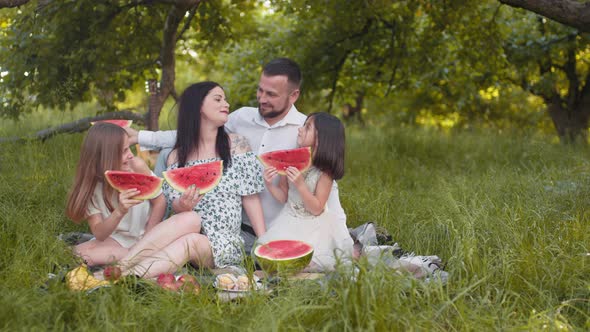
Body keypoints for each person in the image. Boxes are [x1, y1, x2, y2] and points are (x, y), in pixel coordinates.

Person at [125, 58, 346, 246]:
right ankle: (151, 230)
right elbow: (194, 133)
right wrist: (140, 137)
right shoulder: (241, 117)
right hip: (236, 222)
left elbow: (324, 186)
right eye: (260, 90)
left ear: (293, 95)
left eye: (271, 94)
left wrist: (341, 239)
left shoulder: (305, 131)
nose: (262, 98)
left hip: (280, 225)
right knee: (167, 154)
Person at [118, 81, 266, 276]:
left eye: (225, 99)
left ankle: (122, 276)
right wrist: (183, 205)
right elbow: (175, 208)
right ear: (198, 107)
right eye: (218, 99)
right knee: (191, 218)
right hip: (187, 230)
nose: (227, 104)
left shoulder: (236, 144)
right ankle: (119, 268)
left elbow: (251, 198)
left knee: (191, 240)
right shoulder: (175, 156)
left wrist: (265, 243)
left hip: (223, 244)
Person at [257, 112, 354, 271]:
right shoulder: (291, 160)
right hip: (288, 221)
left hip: (314, 226)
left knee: (312, 264)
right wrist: (270, 185)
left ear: (322, 138)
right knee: (271, 258)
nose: (300, 130)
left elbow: (317, 208)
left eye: (307, 127)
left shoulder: (325, 173)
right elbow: (284, 197)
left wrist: (301, 185)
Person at [65, 123, 166, 266]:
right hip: (117, 239)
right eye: (124, 151)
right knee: (72, 253)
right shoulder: (90, 187)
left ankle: (139, 256)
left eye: (129, 148)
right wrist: (119, 211)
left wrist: (147, 240)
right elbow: (99, 234)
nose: (131, 155)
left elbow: (160, 201)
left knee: (88, 256)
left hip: (145, 236)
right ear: (107, 156)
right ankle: (132, 257)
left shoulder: (136, 166)